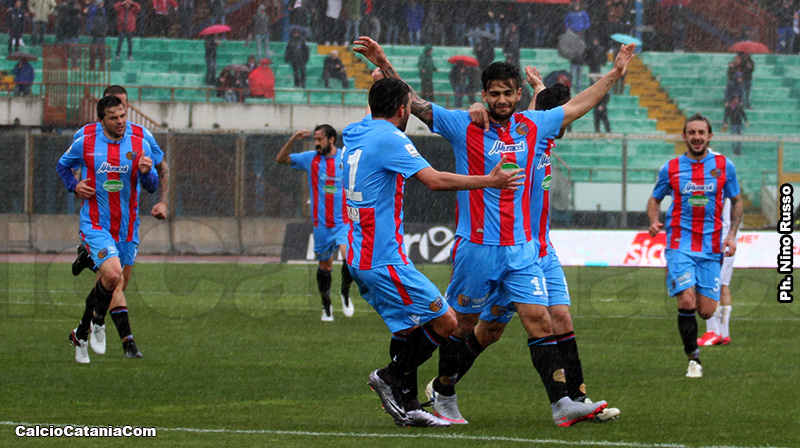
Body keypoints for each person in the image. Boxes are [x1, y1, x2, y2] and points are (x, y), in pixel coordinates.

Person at [354, 36, 635, 426]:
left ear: (520, 94)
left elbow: (578, 104)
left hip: (521, 248)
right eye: (494, 94)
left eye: (508, 93)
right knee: (461, 326)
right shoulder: (462, 125)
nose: (501, 100)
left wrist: (615, 74)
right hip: (477, 248)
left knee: (539, 319)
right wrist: (383, 62)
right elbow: (413, 103)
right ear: (483, 95)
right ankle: (445, 393)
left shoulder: (534, 125)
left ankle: (562, 404)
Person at [343, 77, 524, 427]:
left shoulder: (357, 131)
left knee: (407, 330)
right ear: (402, 110)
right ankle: (390, 376)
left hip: (360, 254)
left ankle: (409, 406)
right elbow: (435, 180)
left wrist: (381, 75)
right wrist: (490, 181)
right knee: (446, 321)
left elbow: (378, 107)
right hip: (382, 258)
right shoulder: (391, 138)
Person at [69, 86, 171, 357]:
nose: (121, 117)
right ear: (103, 113)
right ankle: (127, 342)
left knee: (119, 283)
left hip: (128, 220)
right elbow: (70, 168)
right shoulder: (85, 136)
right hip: (98, 219)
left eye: (123, 109)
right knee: (112, 278)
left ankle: (81, 331)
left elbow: (161, 169)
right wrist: (76, 185)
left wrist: (163, 201)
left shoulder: (141, 136)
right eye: (114, 112)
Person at [647, 113, 742, 379]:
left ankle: (697, 299)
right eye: (692, 132)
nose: (696, 137)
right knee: (686, 299)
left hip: (711, 247)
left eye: (701, 132)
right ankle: (693, 359)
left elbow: (736, 200)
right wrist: (654, 221)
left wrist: (731, 235)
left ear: (710, 136)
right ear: (684, 136)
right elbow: (655, 199)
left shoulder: (724, 165)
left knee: (706, 310)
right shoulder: (671, 168)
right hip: (679, 243)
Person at [276, 125, 355, 321]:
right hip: (321, 225)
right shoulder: (310, 158)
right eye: (315, 140)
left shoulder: (345, 158)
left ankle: (345, 293)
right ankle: (326, 305)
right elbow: (281, 159)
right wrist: (291, 141)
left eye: (320, 139)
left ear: (331, 140)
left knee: (350, 260)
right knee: (325, 267)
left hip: (343, 223)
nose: (316, 143)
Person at [697, 197, 735, 346]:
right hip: (729, 236)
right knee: (723, 284)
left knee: (708, 282)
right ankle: (724, 333)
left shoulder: (718, 185)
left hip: (717, 236)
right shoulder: (731, 187)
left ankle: (713, 331)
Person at [86, 0, 108, 71]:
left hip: (96, 36)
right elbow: (105, 28)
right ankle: (102, 66)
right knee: (102, 53)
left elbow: (93, 28)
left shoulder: (94, 18)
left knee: (93, 52)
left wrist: (90, 33)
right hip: (102, 36)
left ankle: (92, 66)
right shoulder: (104, 19)